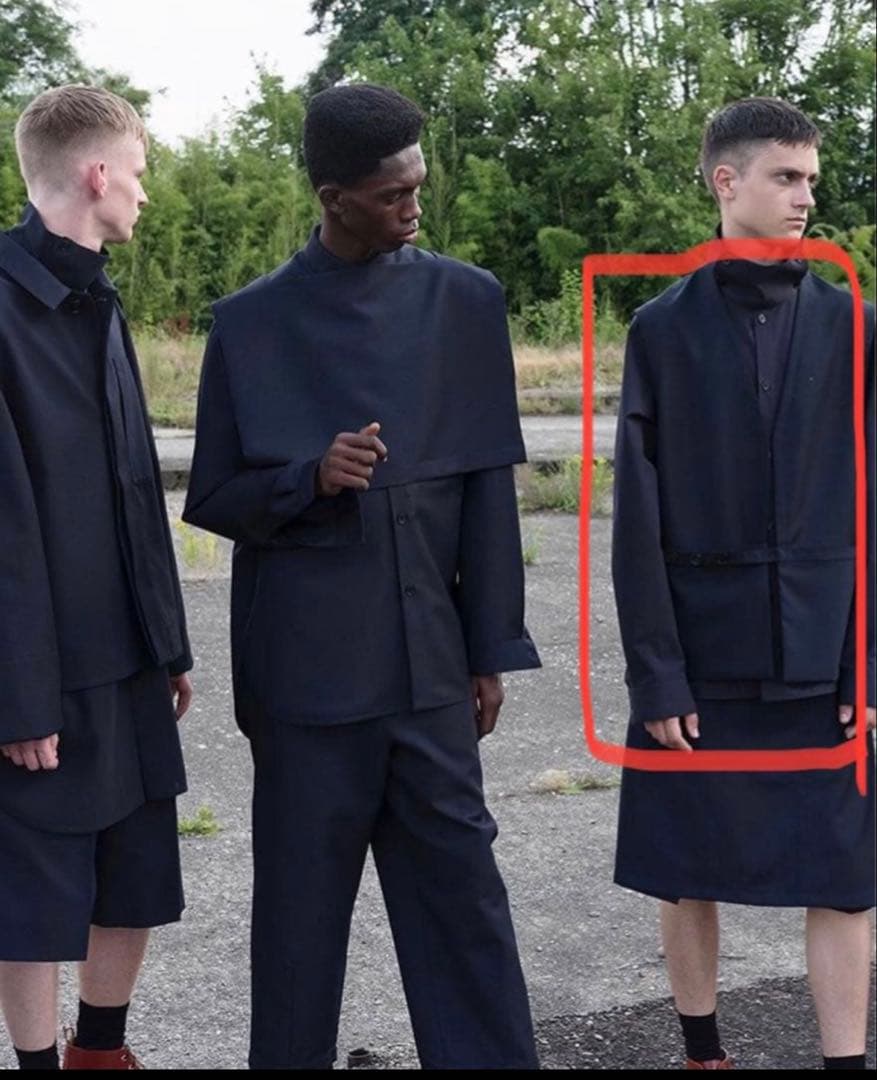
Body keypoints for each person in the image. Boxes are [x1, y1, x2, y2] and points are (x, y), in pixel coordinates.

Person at [183, 82, 541, 1070]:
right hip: (306, 688)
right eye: (393, 194)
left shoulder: (466, 302)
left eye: (418, 184)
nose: (414, 206)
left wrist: (487, 649)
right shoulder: (250, 325)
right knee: (298, 932)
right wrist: (307, 478)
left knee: (466, 913)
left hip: (430, 675)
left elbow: (487, 487)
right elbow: (213, 495)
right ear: (333, 196)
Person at [611, 96, 875, 1071]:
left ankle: (844, 1062)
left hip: (822, 657)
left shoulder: (856, 328)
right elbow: (637, 519)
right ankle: (702, 1053)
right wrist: (656, 675)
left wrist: (866, 662)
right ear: (726, 182)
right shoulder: (660, 331)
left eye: (810, 179)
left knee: (846, 880)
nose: (806, 196)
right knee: (686, 869)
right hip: (700, 660)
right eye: (785, 177)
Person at [0, 85, 193, 1071]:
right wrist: (18, 694)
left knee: (137, 873)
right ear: (97, 173)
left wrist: (169, 641)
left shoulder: (100, 298)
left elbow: (133, 486)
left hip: (128, 659)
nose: (145, 195)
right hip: (44, 670)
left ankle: (100, 1053)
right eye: (141, 174)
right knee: (32, 895)